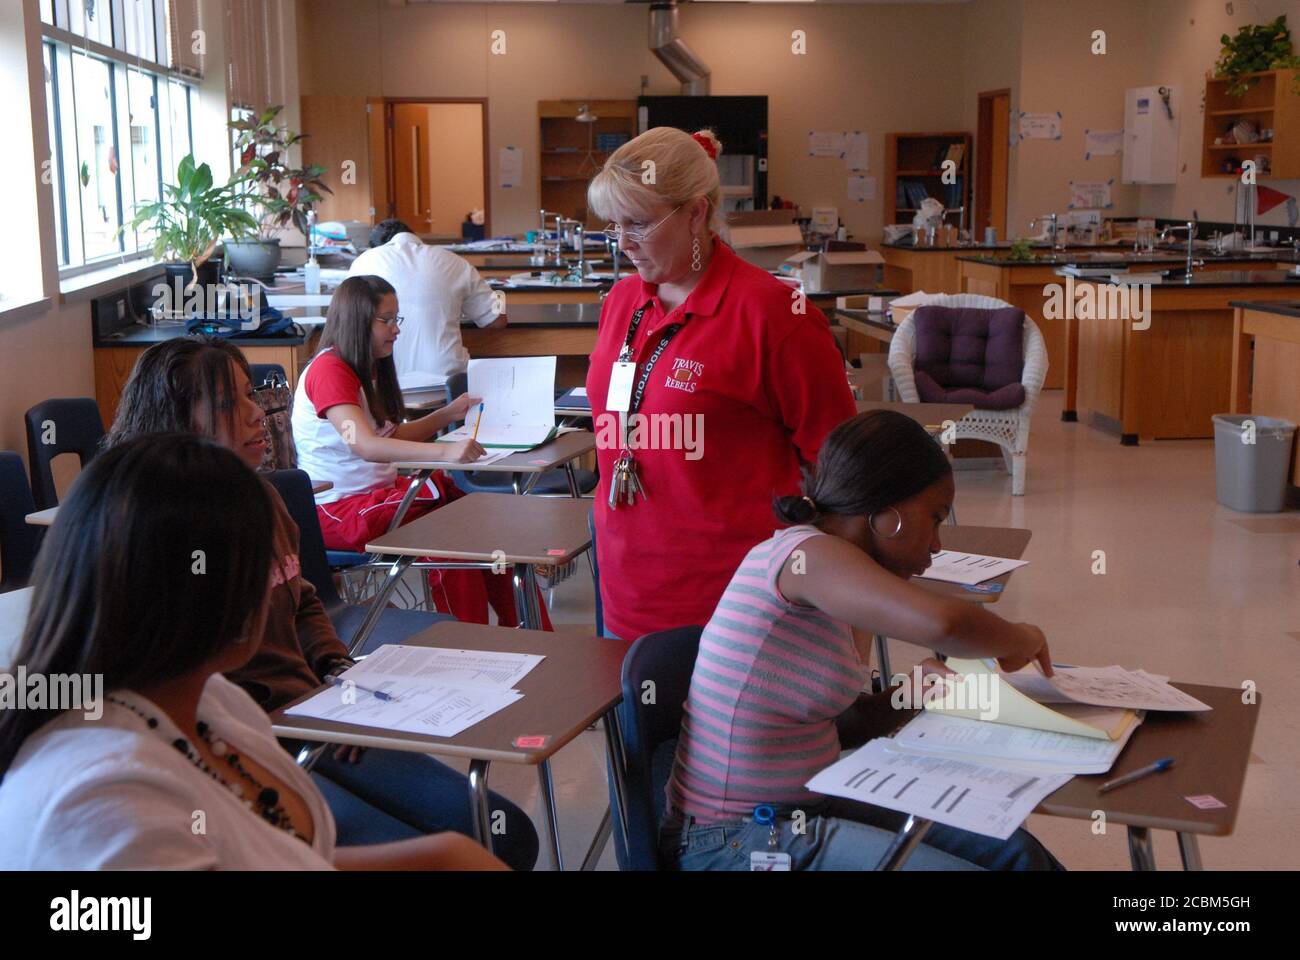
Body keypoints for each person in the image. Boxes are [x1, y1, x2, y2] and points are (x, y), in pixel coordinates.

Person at [101, 336, 539, 869]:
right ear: (176, 422)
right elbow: (195, 684)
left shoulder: (260, 498)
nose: (257, 413)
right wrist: (302, 718)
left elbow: (305, 596)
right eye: (229, 404)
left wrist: (335, 671)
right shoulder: (159, 533)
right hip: (266, 734)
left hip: (315, 715)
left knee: (504, 834)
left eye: (251, 394)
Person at [0, 434, 506, 870]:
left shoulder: (212, 702)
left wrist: (441, 856)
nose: (271, 583)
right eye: (253, 563)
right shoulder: (102, 801)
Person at [661, 410, 1064, 871]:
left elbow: (840, 726)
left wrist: (910, 695)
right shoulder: (805, 556)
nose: (936, 544)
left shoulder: (841, 577)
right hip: (733, 837)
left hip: (804, 808)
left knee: (1016, 851)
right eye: (933, 518)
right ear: (886, 514)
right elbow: (947, 626)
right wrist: (1022, 638)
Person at [585, 127, 857, 641]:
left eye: (638, 224)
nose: (622, 244)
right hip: (627, 577)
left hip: (736, 599)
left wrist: (847, 622)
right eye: (613, 227)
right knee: (639, 717)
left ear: (696, 213)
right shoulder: (622, 301)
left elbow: (842, 466)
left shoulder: (775, 314)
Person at [292, 274, 550, 628]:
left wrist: (447, 414)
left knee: (479, 517)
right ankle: (467, 640)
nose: (395, 329)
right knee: (447, 526)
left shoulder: (363, 365)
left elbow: (390, 435)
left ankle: (527, 631)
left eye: (396, 318)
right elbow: (366, 445)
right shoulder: (329, 370)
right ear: (356, 320)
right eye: (386, 320)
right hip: (337, 510)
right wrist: (445, 454)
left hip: (375, 499)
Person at [349, 218, 506, 379]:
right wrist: (499, 295)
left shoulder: (364, 261)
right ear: (413, 236)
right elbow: (498, 318)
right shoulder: (454, 261)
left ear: (379, 247)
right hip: (448, 381)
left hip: (383, 382)